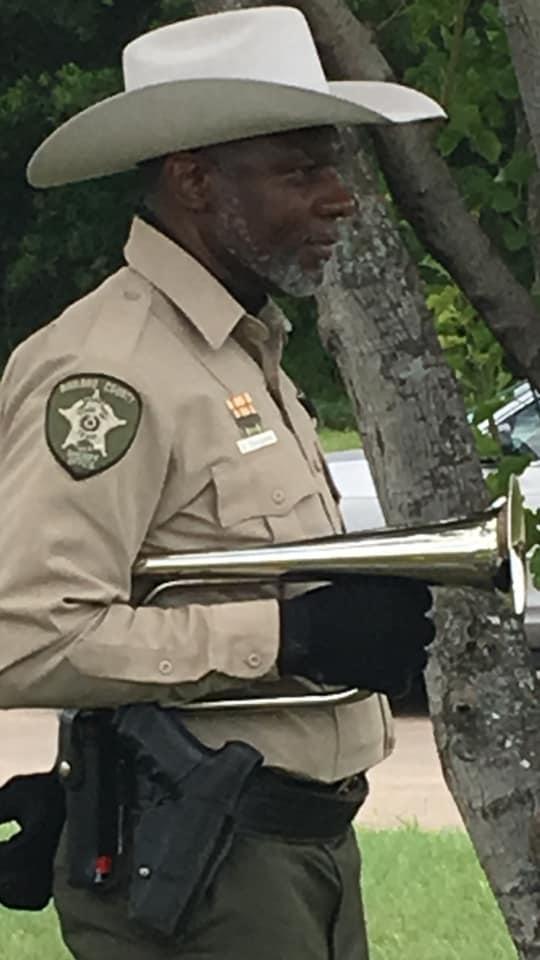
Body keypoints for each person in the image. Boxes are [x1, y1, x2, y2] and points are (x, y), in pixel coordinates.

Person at [0, 8, 444, 959]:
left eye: (332, 166)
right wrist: (290, 636)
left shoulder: (242, 349)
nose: (340, 199)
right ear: (194, 180)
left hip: (281, 849)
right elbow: (26, 634)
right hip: (206, 866)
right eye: (299, 169)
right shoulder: (108, 371)